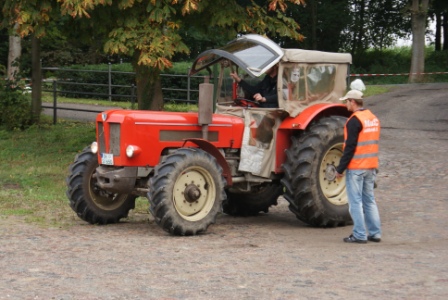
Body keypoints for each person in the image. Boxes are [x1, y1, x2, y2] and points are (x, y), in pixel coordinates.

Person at [336, 89, 382, 244]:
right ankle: (375, 233)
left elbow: (349, 148)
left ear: (352, 102)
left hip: (357, 167)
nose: (345, 104)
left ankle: (359, 234)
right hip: (371, 166)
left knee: (355, 202)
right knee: (369, 200)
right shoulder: (372, 118)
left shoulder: (354, 120)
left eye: (346, 101)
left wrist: (340, 169)